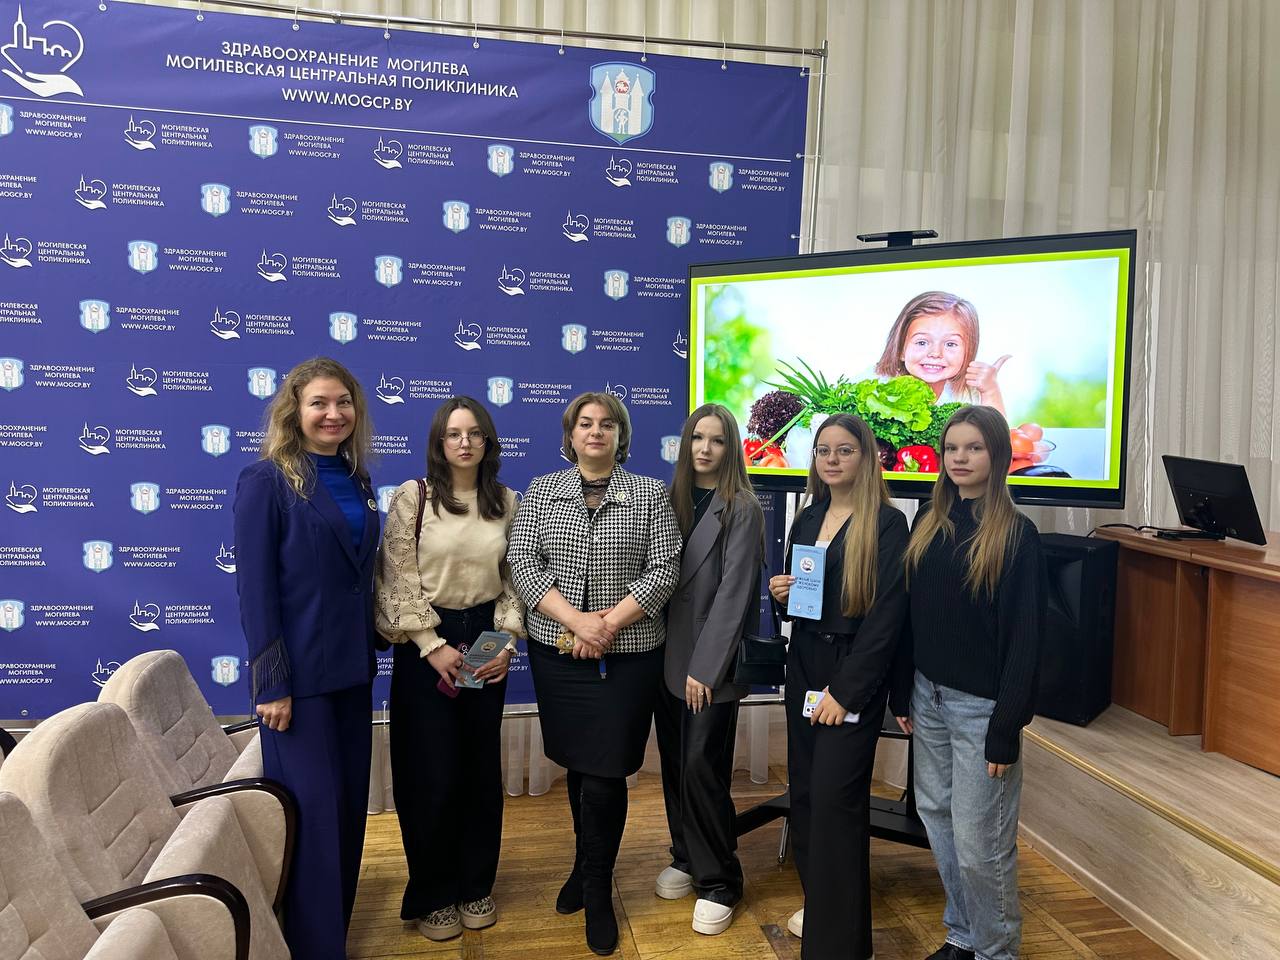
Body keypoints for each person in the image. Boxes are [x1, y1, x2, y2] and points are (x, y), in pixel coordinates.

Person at [506, 391, 682, 956]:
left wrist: (604, 625)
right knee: (582, 764)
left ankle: (598, 887)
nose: (596, 431)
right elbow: (523, 564)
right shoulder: (541, 492)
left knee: (607, 770)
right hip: (559, 652)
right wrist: (577, 622)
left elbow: (665, 570)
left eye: (607, 423)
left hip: (628, 654)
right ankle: (585, 868)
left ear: (620, 435)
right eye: (585, 423)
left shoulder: (649, 494)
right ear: (571, 434)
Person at [233, 357, 379, 960]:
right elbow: (256, 589)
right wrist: (271, 684)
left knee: (346, 814)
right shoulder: (265, 480)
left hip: (354, 671)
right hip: (298, 683)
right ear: (294, 409)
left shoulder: (358, 479)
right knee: (314, 822)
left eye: (343, 402)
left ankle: (333, 933)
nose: (333, 414)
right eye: (319, 402)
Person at [890, 405, 1046, 960]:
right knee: (938, 819)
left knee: (982, 845)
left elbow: (1026, 639)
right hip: (927, 697)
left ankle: (997, 952)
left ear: (998, 455)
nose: (960, 458)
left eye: (974, 448)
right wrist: (902, 688)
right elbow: (912, 614)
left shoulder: (1018, 535)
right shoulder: (927, 522)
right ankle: (963, 935)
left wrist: (1006, 726)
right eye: (952, 448)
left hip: (982, 711)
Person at [374, 396, 525, 942]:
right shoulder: (412, 498)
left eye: (475, 433)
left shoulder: (507, 501)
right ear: (439, 443)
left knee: (479, 773)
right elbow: (397, 576)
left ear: (488, 442)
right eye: (454, 434)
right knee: (429, 775)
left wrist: (504, 643)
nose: (465, 442)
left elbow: (516, 579)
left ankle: (475, 885)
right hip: (426, 645)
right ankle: (434, 894)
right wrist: (431, 645)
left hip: (484, 639)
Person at [767, 413, 909, 960]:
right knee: (805, 797)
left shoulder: (889, 524)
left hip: (851, 675)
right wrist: (783, 595)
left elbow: (887, 620)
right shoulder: (807, 517)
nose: (831, 459)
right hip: (803, 665)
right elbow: (804, 602)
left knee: (835, 803)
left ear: (867, 458)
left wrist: (846, 693)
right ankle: (825, 913)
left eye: (845, 450)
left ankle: (840, 946)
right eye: (823, 449)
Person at [654, 404, 765, 936]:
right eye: (697, 437)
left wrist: (706, 668)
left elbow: (734, 595)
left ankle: (721, 880)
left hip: (708, 664)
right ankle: (685, 855)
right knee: (676, 763)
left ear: (731, 448)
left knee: (703, 767)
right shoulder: (666, 498)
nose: (705, 448)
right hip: (663, 656)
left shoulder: (742, 507)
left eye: (717, 440)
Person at [874, 291, 1009, 416]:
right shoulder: (879, 383)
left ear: (968, 352)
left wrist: (990, 391)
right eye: (922, 342)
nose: (935, 353)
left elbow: (997, 432)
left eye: (950, 344)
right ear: (900, 350)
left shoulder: (970, 393)